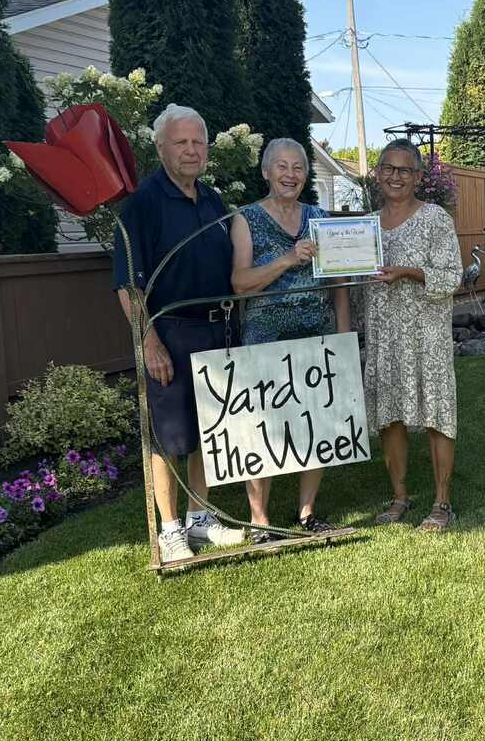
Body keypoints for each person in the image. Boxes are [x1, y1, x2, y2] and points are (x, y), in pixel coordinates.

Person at [113, 104, 246, 563]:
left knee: (210, 428)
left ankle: (200, 519)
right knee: (167, 436)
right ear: (160, 148)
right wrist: (148, 341)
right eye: (181, 142)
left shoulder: (212, 200)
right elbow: (128, 285)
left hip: (218, 329)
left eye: (197, 142)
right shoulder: (143, 203)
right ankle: (170, 530)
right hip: (169, 334)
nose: (191, 150)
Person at [231, 137, 350, 535]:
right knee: (261, 427)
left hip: (317, 333)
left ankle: (307, 513)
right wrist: (286, 259)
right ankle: (259, 520)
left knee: (316, 424)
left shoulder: (319, 217)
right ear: (266, 172)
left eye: (298, 167)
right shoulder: (246, 219)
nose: (290, 174)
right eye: (281, 166)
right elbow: (240, 283)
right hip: (265, 339)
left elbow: (339, 281)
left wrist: (343, 336)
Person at [363, 139, 462, 531]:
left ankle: (442, 502)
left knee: (437, 413)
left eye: (404, 170)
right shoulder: (364, 227)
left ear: (418, 176)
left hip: (426, 337)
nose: (395, 176)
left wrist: (407, 272)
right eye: (388, 168)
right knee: (390, 415)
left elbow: (452, 277)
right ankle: (400, 497)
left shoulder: (435, 218)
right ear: (377, 173)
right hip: (384, 336)